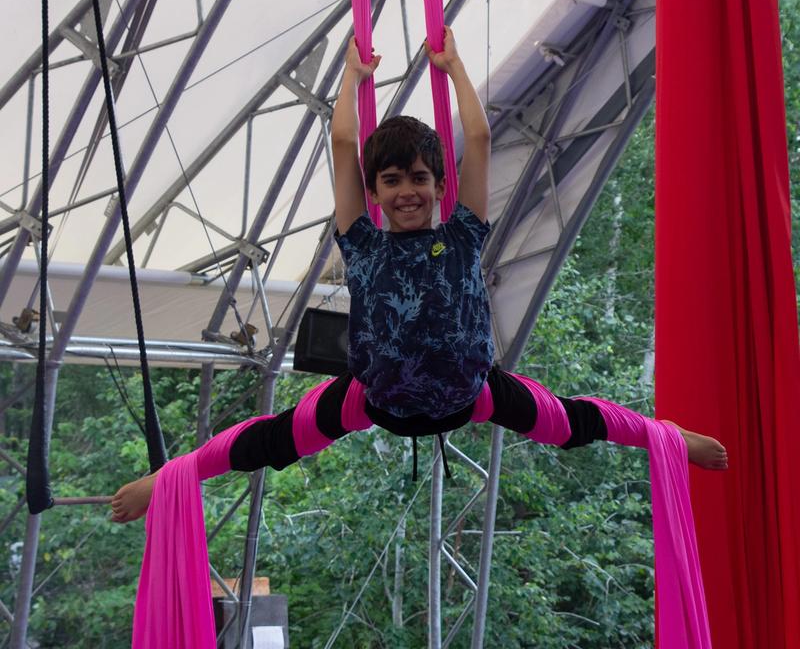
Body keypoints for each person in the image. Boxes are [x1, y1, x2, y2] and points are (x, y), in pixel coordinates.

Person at [111, 27, 726, 524]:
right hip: (376, 400)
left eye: (419, 179)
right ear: (376, 192)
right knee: (271, 442)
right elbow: (343, 142)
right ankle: (164, 481)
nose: (407, 191)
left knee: (568, 425)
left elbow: (479, 137)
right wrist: (352, 77)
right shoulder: (362, 244)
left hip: (471, 393)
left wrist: (454, 65)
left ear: (438, 185)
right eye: (392, 181)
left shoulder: (463, 233)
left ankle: (666, 438)